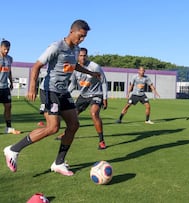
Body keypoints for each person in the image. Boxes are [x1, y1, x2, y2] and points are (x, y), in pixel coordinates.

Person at [3, 19, 99, 176]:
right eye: (80, 36)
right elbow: (36, 66)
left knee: (74, 125)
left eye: (84, 37)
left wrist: (90, 73)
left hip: (63, 92)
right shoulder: (56, 47)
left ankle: (59, 163)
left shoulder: (76, 49)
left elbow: (74, 66)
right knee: (53, 127)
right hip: (49, 91)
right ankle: (13, 150)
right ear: (71, 31)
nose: (81, 39)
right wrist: (32, 87)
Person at [55, 47, 108, 150]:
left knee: (94, 113)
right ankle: (65, 134)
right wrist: (64, 93)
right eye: (81, 56)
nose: (83, 58)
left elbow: (104, 82)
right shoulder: (74, 67)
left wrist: (105, 98)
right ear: (77, 56)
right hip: (83, 95)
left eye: (84, 55)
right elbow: (73, 84)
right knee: (72, 116)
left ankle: (101, 141)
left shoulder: (94, 67)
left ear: (87, 56)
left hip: (96, 94)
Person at [0, 40, 21, 134]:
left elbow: (9, 71)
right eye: (5, 49)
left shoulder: (9, 59)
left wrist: (11, 82)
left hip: (5, 87)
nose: (6, 51)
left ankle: (8, 128)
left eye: (8, 49)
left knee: (8, 106)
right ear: (1, 47)